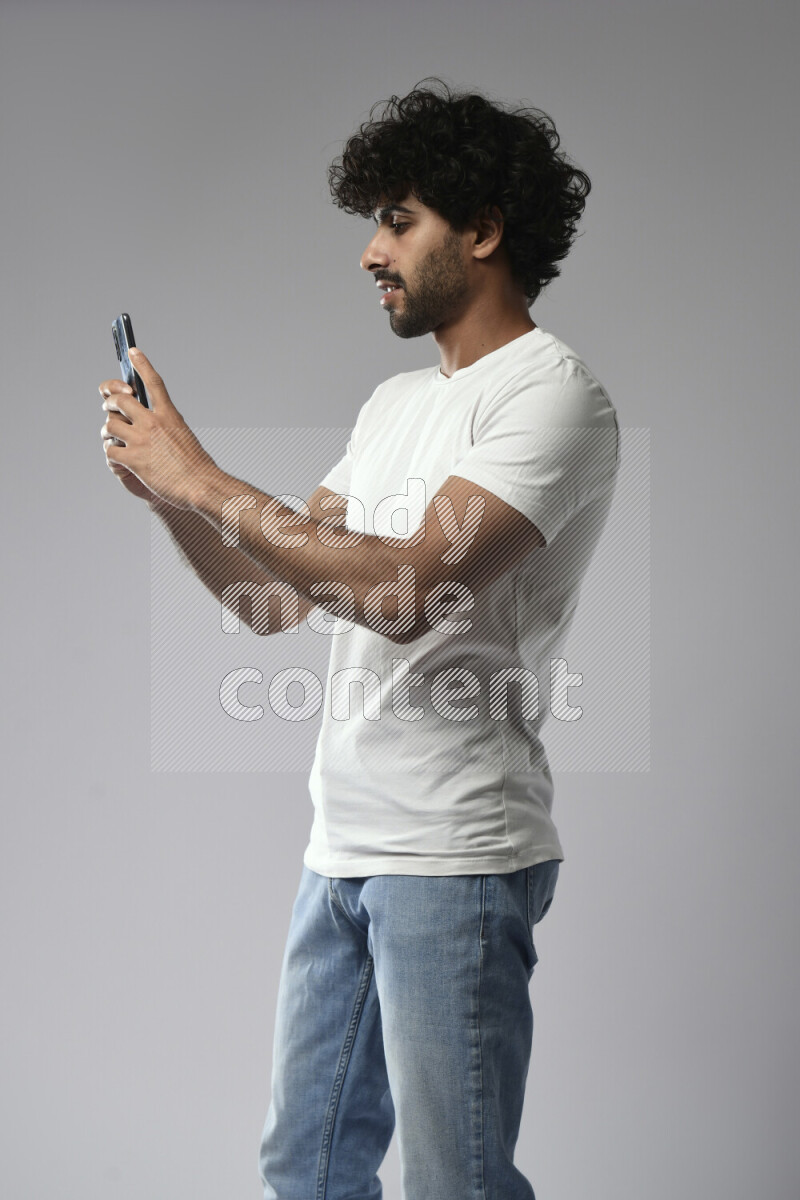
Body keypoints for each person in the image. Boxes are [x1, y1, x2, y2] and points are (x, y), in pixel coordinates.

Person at [99, 79, 619, 1200]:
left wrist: (205, 477)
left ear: (480, 232)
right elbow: (270, 600)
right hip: (340, 847)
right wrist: (173, 501)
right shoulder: (391, 406)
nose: (369, 252)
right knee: (309, 1164)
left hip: (455, 860)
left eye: (397, 220)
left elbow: (404, 591)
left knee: (453, 1184)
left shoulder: (551, 400)